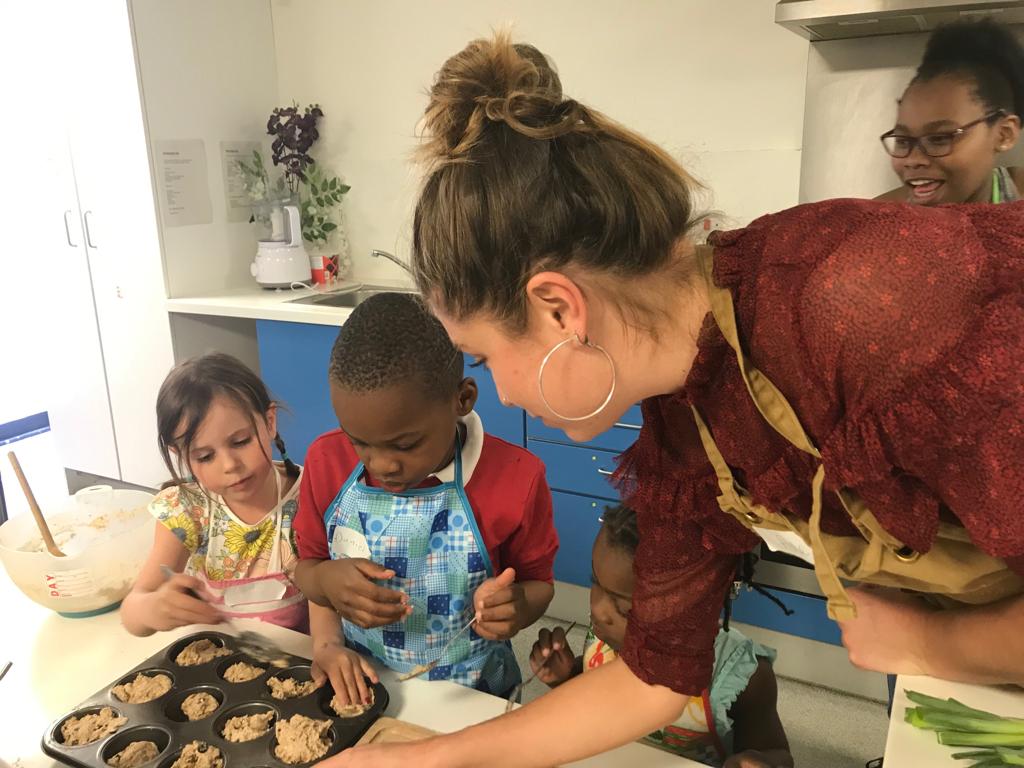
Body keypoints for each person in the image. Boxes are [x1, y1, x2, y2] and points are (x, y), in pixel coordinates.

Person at [319, 32, 1024, 768]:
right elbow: (656, 677)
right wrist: (418, 759)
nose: (491, 391)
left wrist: (931, 643)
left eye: (487, 357)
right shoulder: (683, 416)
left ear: (560, 309)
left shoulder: (857, 308)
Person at [293, 292, 558, 708]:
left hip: (473, 693)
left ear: (462, 399)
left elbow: (539, 585)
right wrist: (325, 589)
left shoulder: (517, 478)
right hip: (364, 684)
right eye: (359, 441)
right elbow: (307, 566)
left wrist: (516, 607)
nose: (381, 465)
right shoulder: (326, 461)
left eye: (405, 444)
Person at [530, 505, 792, 768]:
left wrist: (758, 761)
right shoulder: (604, 638)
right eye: (595, 580)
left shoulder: (740, 674)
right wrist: (565, 678)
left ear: (691, 608)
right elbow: (591, 684)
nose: (599, 610)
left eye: (623, 608)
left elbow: (776, 753)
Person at [121, 353, 307, 636]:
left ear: (269, 422)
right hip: (217, 654)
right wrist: (153, 608)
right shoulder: (189, 511)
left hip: (296, 660)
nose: (230, 465)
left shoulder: (310, 495)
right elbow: (132, 613)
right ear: (181, 454)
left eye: (241, 441)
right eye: (205, 456)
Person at [877, 19, 1024, 204]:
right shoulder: (878, 219)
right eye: (902, 141)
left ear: (1004, 134)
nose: (912, 160)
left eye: (940, 139)